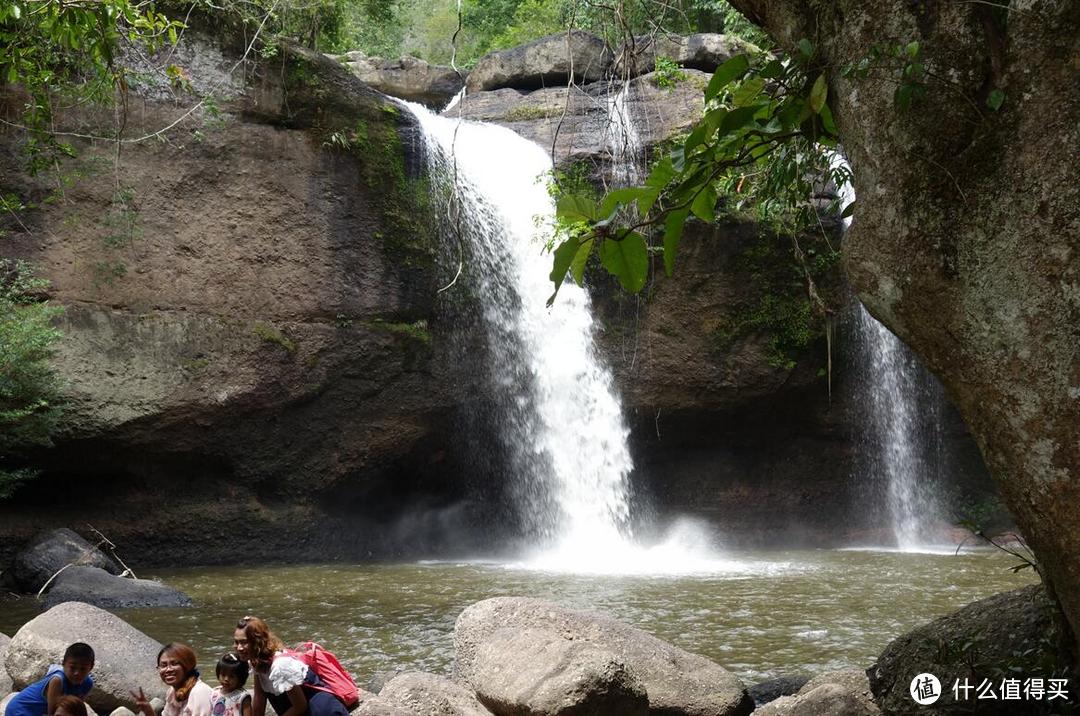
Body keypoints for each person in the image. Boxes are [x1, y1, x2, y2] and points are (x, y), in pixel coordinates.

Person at [232, 617, 348, 716]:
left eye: (244, 642)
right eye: (237, 642)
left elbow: (300, 706)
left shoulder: (280, 666)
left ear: (257, 642)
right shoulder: (256, 662)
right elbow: (259, 698)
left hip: (323, 712)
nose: (239, 648)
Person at [5, 643, 95, 716]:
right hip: (20, 709)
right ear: (63, 664)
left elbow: (75, 708)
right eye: (72, 668)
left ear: (91, 668)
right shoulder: (57, 680)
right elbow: (52, 713)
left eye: (83, 669)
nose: (77, 673)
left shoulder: (88, 684)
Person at [130, 643, 212, 716]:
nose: (168, 669)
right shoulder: (171, 692)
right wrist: (148, 711)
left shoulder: (199, 692)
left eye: (174, 664)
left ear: (187, 666)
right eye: (163, 665)